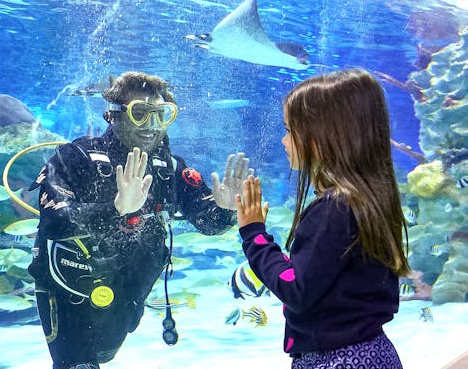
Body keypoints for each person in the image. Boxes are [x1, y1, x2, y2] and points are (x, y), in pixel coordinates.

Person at [28, 71, 251, 369]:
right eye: (140, 114)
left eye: (161, 115)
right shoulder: (75, 158)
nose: (152, 125)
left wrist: (225, 208)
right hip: (71, 296)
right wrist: (116, 208)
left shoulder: (168, 168)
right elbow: (54, 222)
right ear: (114, 115)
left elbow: (207, 224)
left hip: (127, 298)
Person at [235, 68, 409, 368]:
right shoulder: (371, 197)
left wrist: (254, 236)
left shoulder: (334, 208)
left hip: (337, 360)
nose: (284, 141)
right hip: (375, 353)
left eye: (289, 130)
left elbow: (296, 288)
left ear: (321, 137)